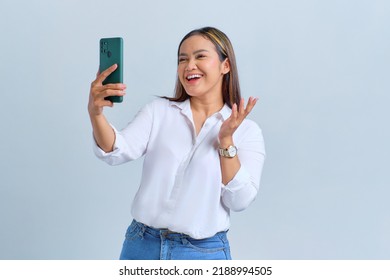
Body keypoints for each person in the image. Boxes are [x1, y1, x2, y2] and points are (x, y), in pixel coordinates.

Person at [88, 27, 266, 260]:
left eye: (200, 56)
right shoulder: (158, 112)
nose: (189, 65)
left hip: (203, 253)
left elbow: (239, 200)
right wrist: (96, 113)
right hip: (141, 245)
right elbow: (116, 151)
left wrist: (225, 141)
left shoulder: (247, 131)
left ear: (226, 65)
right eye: (183, 59)